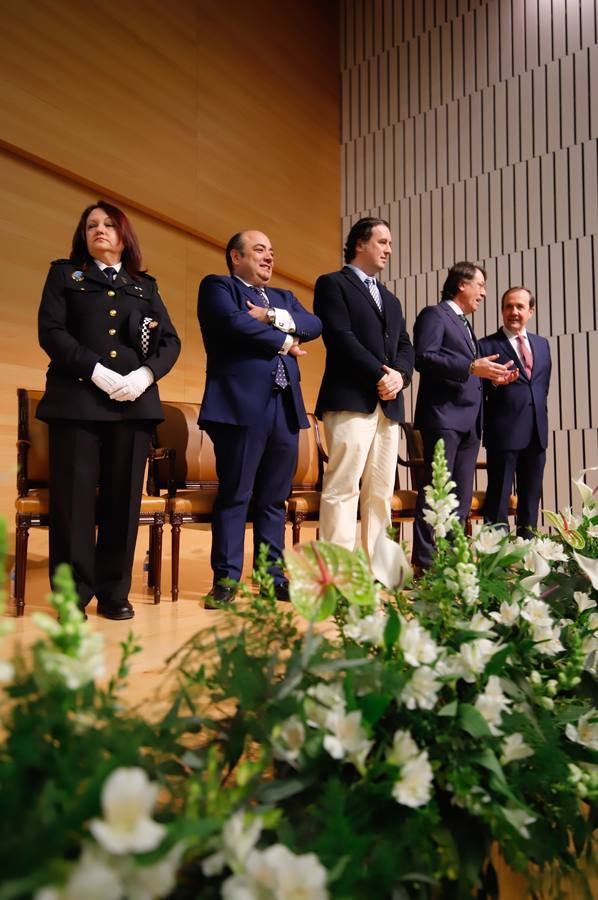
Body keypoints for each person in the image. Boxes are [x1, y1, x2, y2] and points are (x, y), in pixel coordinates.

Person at [37, 200, 181, 620]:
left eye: (108, 224)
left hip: (133, 405)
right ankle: (71, 595)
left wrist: (145, 376)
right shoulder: (65, 274)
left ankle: (114, 592)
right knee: (74, 504)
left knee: (123, 503)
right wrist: (94, 370)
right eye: (91, 225)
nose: (99, 230)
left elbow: (169, 342)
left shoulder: (145, 286)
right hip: (77, 402)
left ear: (124, 236)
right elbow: (51, 331)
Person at [197, 230, 322, 607]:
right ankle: (226, 579)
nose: (269, 257)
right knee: (236, 494)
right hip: (238, 407)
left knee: (274, 499)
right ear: (236, 256)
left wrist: (270, 316)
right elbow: (234, 324)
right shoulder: (218, 286)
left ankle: (272, 576)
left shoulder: (283, 298)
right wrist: (284, 340)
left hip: (284, 406)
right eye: (259, 250)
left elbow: (315, 326)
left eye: (271, 250)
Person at [314, 217, 414, 561]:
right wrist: (380, 375)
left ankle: (380, 568)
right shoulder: (331, 284)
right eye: (383, 242)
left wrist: (400, 376)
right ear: (360, 244)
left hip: (389, 406)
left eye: (389, 243)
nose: (389, 249)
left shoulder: (391, 299)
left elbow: (405, 345)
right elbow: (340, 339)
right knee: (343, 488)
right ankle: (337, 574)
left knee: (381, 492)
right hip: (350, 400)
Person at [411, 261, 517, 569]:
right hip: (443, 418)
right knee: (436, 493)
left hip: (470, 421)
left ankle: (453, 563)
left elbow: (467, 370)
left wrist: (491, 378)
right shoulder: (434, 315)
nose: (484, 293)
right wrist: (472, 367)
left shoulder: (466, 325)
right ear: (462, 284)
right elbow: (424, 358)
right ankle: (426, 565)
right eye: (480, 285)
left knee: (458, 498)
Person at [479, 287, 552, 538]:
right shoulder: (486, 345)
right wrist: (498, 382)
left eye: (520, 307)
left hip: (537, 433)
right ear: (501, 311)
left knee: (531, 502)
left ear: (530, 312)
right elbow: (478, 390)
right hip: (503, 434)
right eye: (509, 306)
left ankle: (528, 560)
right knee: (498, 501)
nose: (514, 312)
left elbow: (541, 388)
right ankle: (496, 562)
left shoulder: (542, 345)